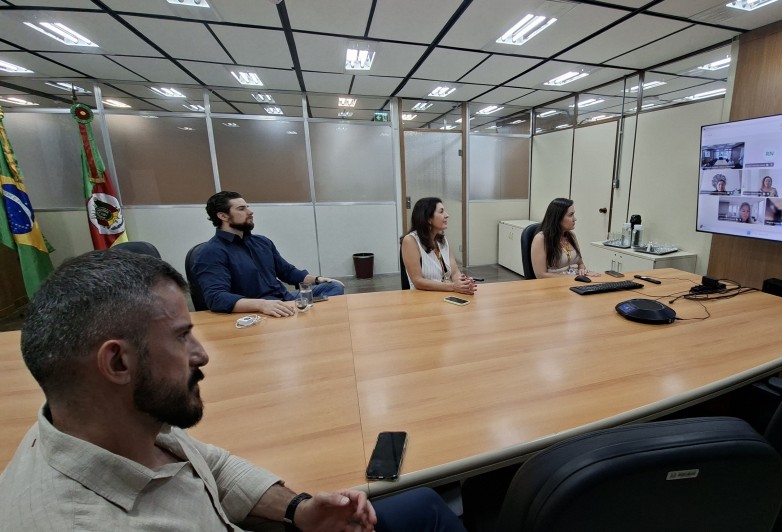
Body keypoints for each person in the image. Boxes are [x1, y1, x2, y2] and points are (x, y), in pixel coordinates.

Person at [0, 251, 465, 531]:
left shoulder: (114, 423)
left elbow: (215, 468)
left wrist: (298, 510)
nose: (201, 354)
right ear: (118, 362)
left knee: (424, 504)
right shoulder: (85, 521)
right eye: (182, 337)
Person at [194, 191, 344, 317]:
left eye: (248, 207)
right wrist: (262, 305)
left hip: (284, 299)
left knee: (333, 287)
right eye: (241, 209)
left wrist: (318, 279)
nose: (250, 212)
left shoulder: (262, 242)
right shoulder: (212, 252)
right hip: (257, 308)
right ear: (223, 216)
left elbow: (288, 272)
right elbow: (216, 298)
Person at [401, 197, 476, 294]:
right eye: (441, 212)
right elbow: (417, 281)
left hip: (445, 294)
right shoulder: (410, 241)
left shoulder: (442, 240)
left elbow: (454, 272)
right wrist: (453, 286)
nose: (447, 215)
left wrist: (463, 283)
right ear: (428, 218)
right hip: (422, 297)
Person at [530, 198, 599, 278]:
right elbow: (540, 275)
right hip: (554, 283)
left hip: (575, 280)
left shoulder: (571, 236)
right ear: (557, 218)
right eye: (570, 215)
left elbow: (580, 263)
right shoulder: (541, 239)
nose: (575, 219)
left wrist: (582, 270)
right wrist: (572, 278)